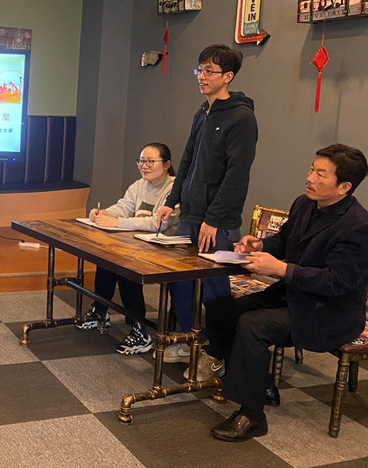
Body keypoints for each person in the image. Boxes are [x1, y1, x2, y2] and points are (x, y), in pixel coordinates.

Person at [198, 144, 368, 442]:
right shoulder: (304, 203)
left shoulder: (358, 226)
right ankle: (260, 381)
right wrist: (260, 245)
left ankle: (252, 415)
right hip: (294, 295)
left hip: (329, 312)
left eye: (321, 174)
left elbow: (336, 282)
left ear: (344, 187)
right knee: (221, 308)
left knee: (253, 324)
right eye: (312, 169)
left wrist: (281, 270)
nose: (310, 177)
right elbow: (285, 241)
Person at [155, 44, 257, 363]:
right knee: (180, 281)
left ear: (228, 76)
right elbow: (186, 161)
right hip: (191, 213)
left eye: (209, 71)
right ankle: (190, 341)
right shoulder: (203, 112)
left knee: (214, 290)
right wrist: (172, 200)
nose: (201, 76)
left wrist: (213, 219)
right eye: (199, 69)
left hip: (218, 222)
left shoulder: (242, 117)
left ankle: (218, 354)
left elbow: (236, 175)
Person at [76, 143, 179, 355]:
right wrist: (104, 213)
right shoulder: (139, 185)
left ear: (166, 164)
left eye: (151, 161)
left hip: (167, 249)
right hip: (139, 244)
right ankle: (100, 310)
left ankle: (140, 329)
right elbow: (124, 207)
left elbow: (158, 224)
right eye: (141, 161)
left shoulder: (174, 189)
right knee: (107, 257)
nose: (144, 165)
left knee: (125, 265)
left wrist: (117, 223)